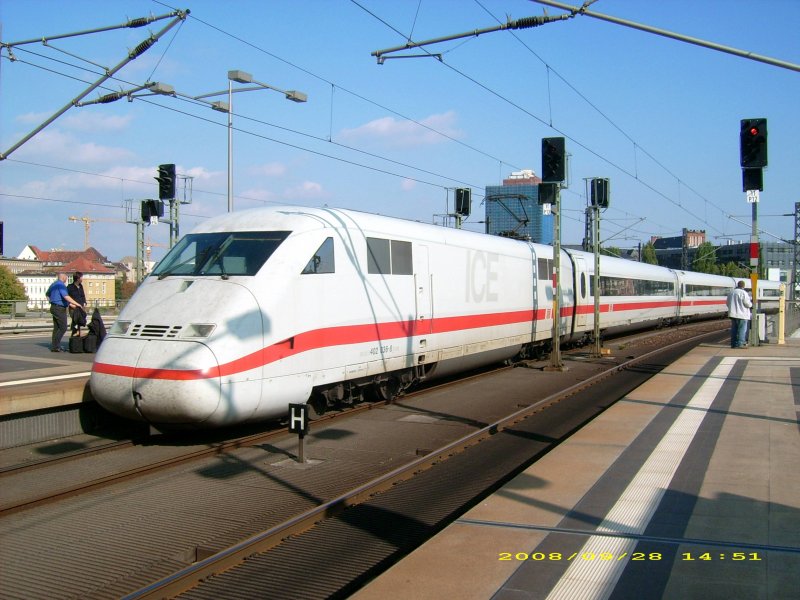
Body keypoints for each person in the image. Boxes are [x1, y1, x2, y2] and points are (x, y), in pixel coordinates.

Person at [46, 273, 82, 352]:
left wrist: (52, 302)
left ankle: (55, 346)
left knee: (56, 328)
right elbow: (66, 296)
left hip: (54, 307)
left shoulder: (53, 284)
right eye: (66, 278)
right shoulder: (61, 285)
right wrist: (77, 304)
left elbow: (47, 294)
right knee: (63, 327)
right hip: (59, 309)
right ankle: (56, 346)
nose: (66, 279)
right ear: (63, 278)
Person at [726, 280, 752, 349]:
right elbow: (747, 304)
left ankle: (733, 344)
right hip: (742, 315)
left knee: (734, 329)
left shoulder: (731, 292)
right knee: (742, 329)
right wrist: (751, 305)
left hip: (733, 314)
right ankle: (741, 343)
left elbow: (727, 303)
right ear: (743, 286)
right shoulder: (744, 293)